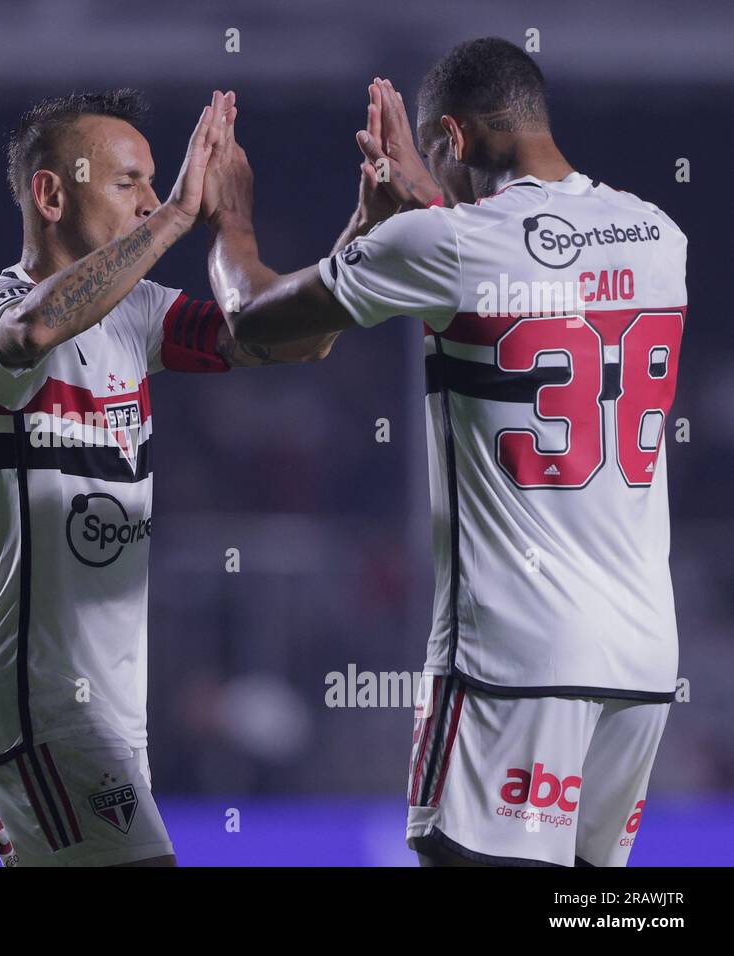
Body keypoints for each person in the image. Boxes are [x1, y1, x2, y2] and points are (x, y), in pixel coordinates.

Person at [202, 38, 686, 866]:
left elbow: (253, 316)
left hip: (514, 659)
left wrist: (231, 214)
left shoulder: (447, 246)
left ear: (455, 140)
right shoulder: (658, 235)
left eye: (438, 157)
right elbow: (528, 263)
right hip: (643, 660)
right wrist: (427, 197)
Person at [0, 90, 336, 867]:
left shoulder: (139, 314)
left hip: (108, 708)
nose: (154, 200)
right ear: (51, 194)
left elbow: (287, 339)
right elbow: (38, 329)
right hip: (36, 699)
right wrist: (176, 219)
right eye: (130, 182)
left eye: (159, 182)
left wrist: (356, 236)